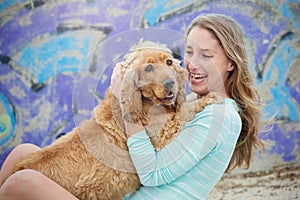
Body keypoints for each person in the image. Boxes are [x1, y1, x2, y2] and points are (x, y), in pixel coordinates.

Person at [0, 14, 264, 199]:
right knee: (22, 154)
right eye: (189, 52)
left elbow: (153, 173)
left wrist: (126, 103)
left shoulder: (221, 116)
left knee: (23, 182)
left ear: (231, 63)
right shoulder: (191, 103)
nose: (192, 64)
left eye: (206, 55)